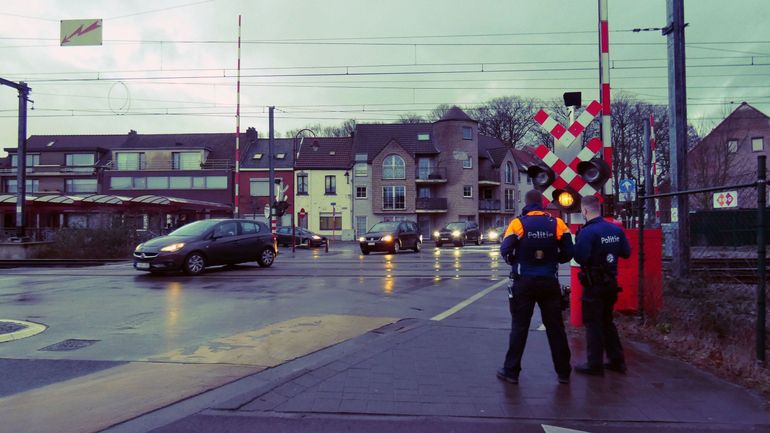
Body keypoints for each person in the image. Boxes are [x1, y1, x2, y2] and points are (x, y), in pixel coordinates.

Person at [497, 190, 574, 385]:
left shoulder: (518, 223)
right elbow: (569, 252)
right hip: (549, 282)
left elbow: (505, 250)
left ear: (526, 203)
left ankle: (511, 371)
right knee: (555, 327)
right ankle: (564, 372)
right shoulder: (557, 223)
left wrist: (516, 260)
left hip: (524, 283)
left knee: (519, 327)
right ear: (542, 204)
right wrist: (554, 258)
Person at [573, 195, 631, 376]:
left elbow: (580, 257)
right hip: (611, 283)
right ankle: (617, 360)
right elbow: (626, 253)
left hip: (594, 284)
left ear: (584, 210)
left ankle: (594, 364)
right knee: (607, 321)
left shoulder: (587, 232)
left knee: (593, 323)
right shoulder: (615, 230)